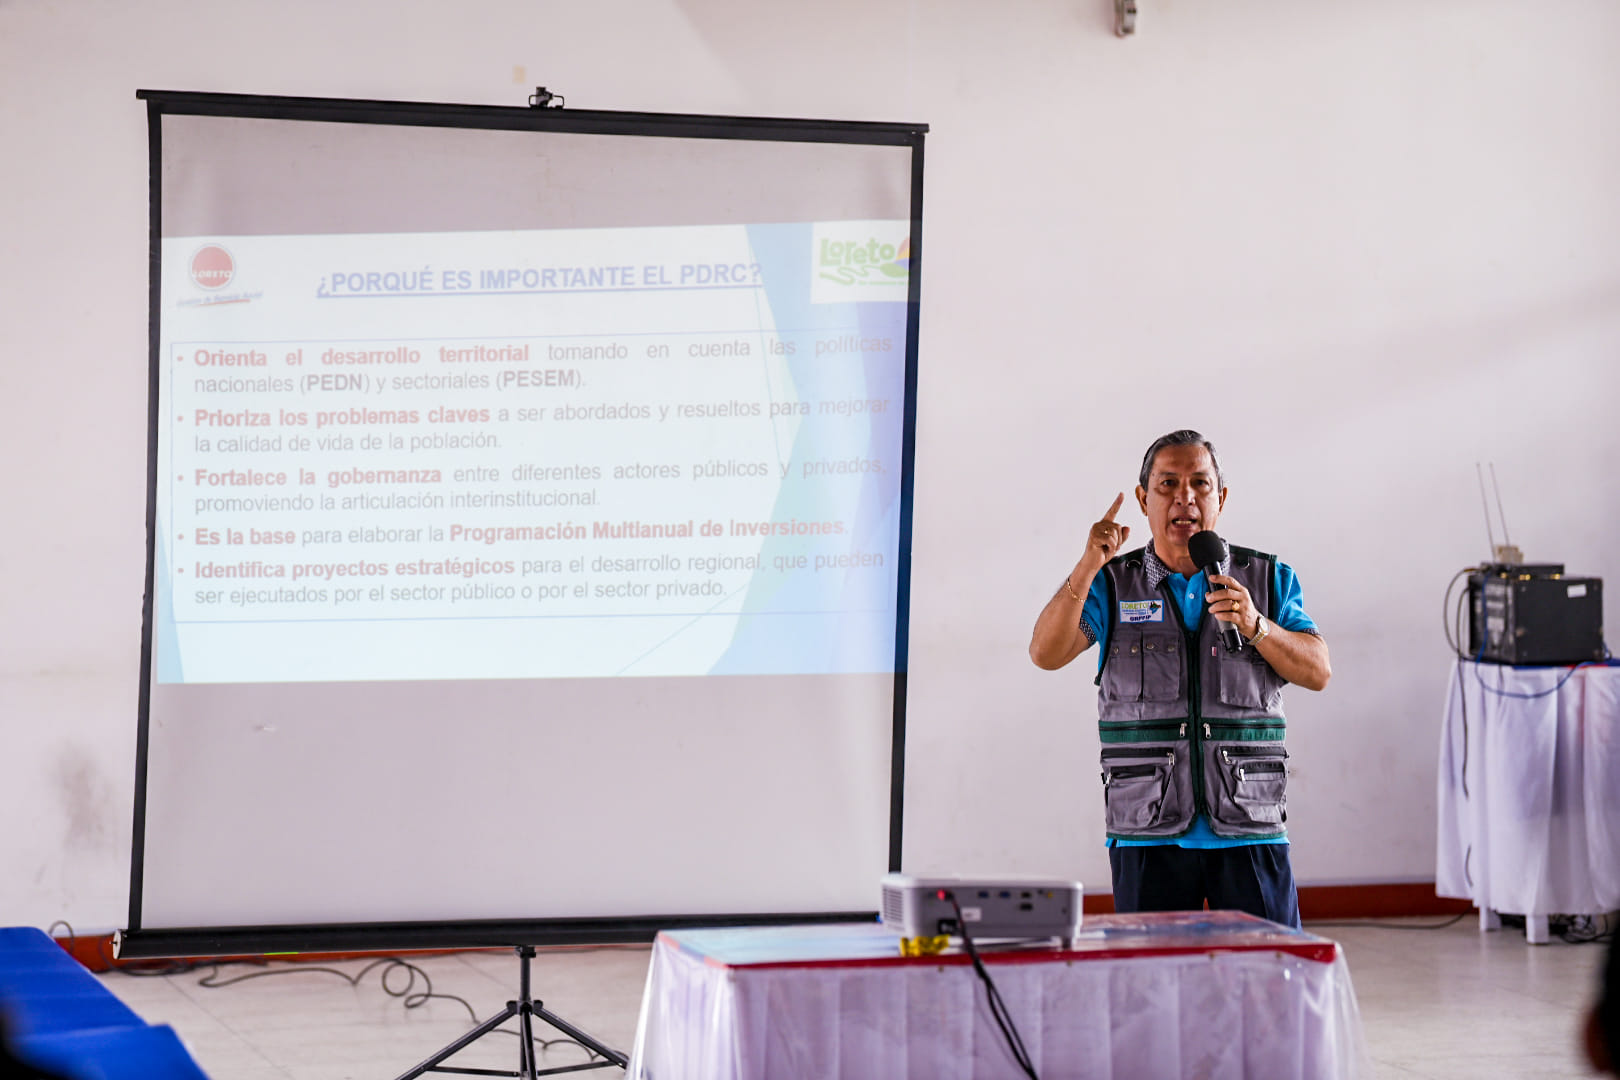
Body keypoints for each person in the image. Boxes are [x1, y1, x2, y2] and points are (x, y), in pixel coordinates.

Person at [1029, 429, 1331, 928]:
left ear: (1221, 497)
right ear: (1145, 499)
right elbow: (1046, 653)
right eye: (1167, 484)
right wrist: (1087, 565)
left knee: (1267, 980)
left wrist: (1257, 626)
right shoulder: (1110, 584)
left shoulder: (1268, 580)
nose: (1184, 498)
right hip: (1147, 827)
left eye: (1200, 484)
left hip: (1249, 825)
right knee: (1152, 989)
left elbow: (1318, 670)